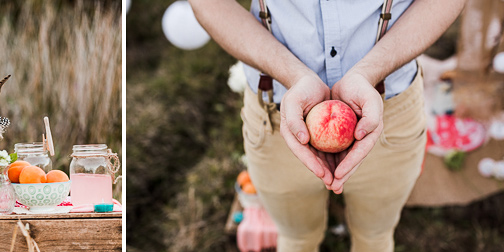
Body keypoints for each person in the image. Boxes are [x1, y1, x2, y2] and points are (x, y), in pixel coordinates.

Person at [190, 0, 465, 251]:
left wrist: (370, 71)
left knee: (376, 236)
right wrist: (292, 74)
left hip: (389, 111)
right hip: (277, 116)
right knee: (296, 238)